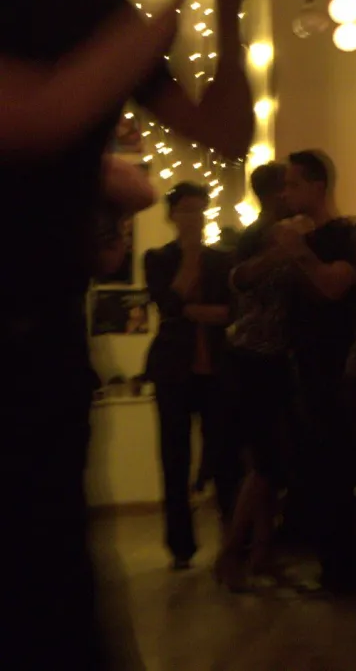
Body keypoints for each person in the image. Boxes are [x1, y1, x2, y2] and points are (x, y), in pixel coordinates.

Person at [0, 0, 254, 668]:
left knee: (53, 572)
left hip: (45, 337)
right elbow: (41, 114)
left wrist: (229, 6)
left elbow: (227, 131)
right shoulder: (105, 12)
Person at [278, 149, 356, 592]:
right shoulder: (300, 235)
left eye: (293, 183)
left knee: (336, 469)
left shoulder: (345, 234)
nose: (286, 192)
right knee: (315, 469)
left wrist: (299, 252)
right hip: (306, 367)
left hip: (336, 367)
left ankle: (342, 571)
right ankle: (330, 564)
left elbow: (334, 287)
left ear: (317, 186)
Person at [144, 182, 235, 569]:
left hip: (215, 369)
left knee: (225, 456)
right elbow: (168, 303)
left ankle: (233, 539)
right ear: (172, 214)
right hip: (173, 371)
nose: (194, 218)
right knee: (174, 458)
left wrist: (188, 311)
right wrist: (190, 259)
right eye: (187, 210)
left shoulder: (222, 260)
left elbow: (230, 312)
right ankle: (181, 547)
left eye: (199, 210)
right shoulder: (158, 258)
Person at [215, 162, 294, 590]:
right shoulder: (261, 235)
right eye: (287, 187)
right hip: (254, 357)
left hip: (267, 356)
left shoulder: (275, 232)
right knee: (266, 461)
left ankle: (262, 552)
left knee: (267, 463)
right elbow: (239, 282)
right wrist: (279, 255)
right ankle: (232, 553)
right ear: (275, 193)